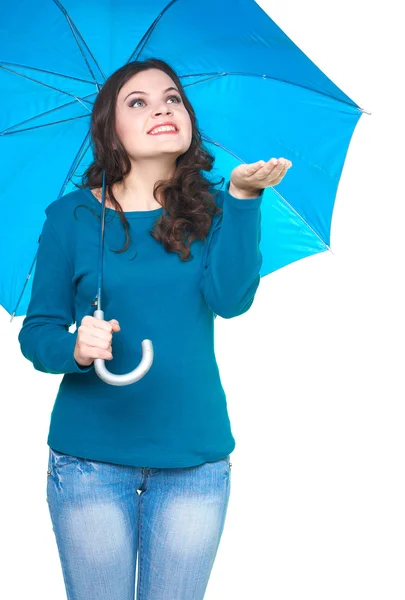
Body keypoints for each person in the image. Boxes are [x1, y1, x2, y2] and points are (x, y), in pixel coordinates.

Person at [18, 58, 290, 600]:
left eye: (172, 98)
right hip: (88, 462)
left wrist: (242, 199)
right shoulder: (69, 217)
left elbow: (231, 301)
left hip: (194, 461)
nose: (162, 108)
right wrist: (72, 346)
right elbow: (38, 332)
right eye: (137, 102)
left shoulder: (215, 208)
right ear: (109, 128)